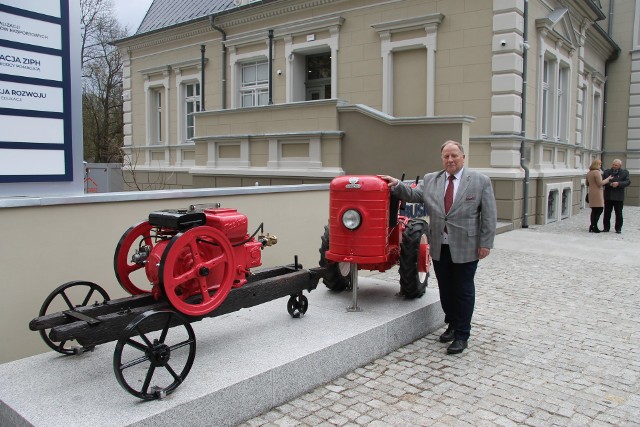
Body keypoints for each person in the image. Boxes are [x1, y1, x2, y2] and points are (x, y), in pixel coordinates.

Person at [380, 140, 497, 355]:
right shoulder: (431, 179)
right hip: (439, 244)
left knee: (463, 289)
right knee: (446, 288)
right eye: (446, 156)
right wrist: (396, 184)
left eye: (454, 155)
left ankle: (462, 334)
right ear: (442, 159)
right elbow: (413, 195)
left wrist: (485, 243)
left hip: (466, 245)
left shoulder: (480, 181)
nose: (450, 160)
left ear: (463, 157)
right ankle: (452, 324)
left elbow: (489, 215)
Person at [602, 159, 631, 234]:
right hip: (609, 195)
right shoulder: (607, 172)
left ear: (620, 166)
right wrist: (611, 184)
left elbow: (627, 182)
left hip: (619, 196)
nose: (614, 166)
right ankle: (606, 227)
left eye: (616, 165)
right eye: (613, 164)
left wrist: (618, 183)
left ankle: (618, 228)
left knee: (618, 213)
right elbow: (603, 181)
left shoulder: (625, 173)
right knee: (607, 212)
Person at [586, 159, 612, 233]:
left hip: (591, 192)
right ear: (597, 164)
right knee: (599, 209)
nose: (600, 166)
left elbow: (587, 183)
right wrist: (608, 179)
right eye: (600, 164)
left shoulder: (589, 173)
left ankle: (592, 226)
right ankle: (594, 226)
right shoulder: (597, 172)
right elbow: (600, 183)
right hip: (597, 193)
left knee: (594, 210)